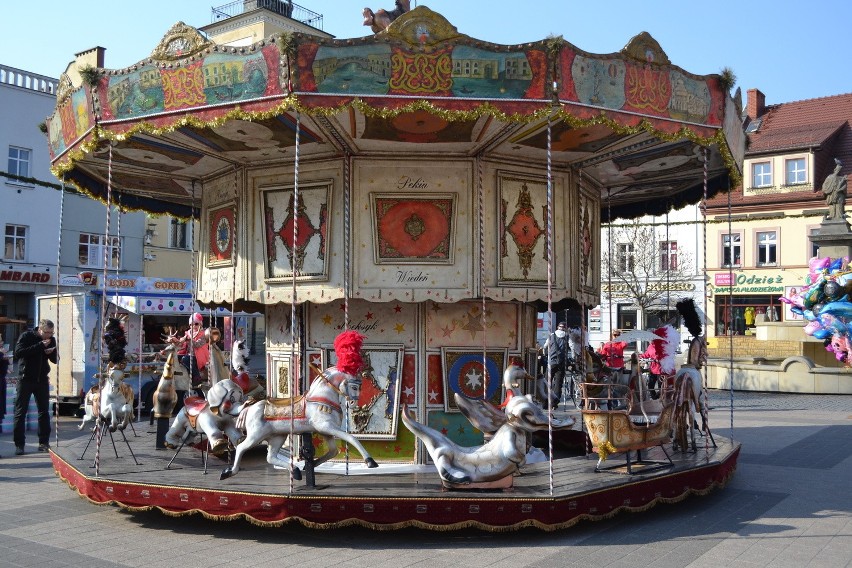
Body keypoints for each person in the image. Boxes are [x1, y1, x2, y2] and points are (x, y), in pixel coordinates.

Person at [13, 319, 58, 455]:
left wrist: (51, 353)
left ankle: (44, 442)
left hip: (42, 380)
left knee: (44, 412)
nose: (48, 336)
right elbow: (19, 353)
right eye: (46, 332)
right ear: (40, 330)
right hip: (25, 379)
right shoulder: (27, 336)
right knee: (21, 412)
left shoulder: (51, 340)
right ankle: (19, 444)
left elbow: (55, 360)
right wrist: (40, 346)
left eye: (51, 333)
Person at [169, 313, 209, 387]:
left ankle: (197, 377)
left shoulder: (204, 334)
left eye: (196, 324)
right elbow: (181, 343)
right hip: (189, 354)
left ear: (200, 324)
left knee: (186, 359)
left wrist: (189, 339)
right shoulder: (188, 333)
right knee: (176, 358)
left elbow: (197, 344)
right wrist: (175, 340)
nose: (193, 326)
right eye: (191, 324)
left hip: (199, 356)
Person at [539, 322, 571, 410]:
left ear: (557, 327)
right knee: (558, 384)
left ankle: (545, 402)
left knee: (546, 383)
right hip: (561, 363)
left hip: (551, 362)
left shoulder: (551, 336)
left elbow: (545, 346)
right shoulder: (567, 336)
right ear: (565, 328)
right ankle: (555, 403)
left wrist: (545, 354)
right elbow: (571, 347)